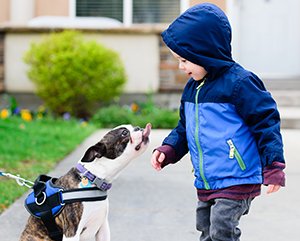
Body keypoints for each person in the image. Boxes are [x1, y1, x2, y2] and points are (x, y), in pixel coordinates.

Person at [151, 3, 285, 241]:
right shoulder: (192, 89)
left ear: (205, 52)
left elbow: (266, 123)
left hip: (237, 177)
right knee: (205, 227)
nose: (181, 67)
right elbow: (184, 128)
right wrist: (169, 149)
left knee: (222, 227)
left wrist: (273, 165)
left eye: (185, 60)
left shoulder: (240, 83)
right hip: (207, 179)